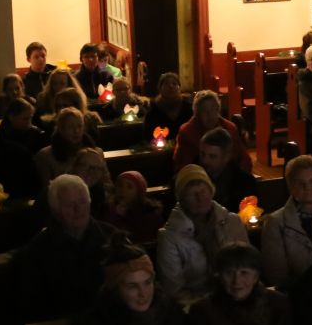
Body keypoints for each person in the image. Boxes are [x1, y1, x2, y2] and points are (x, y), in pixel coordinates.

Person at [14, 175, 114, 321]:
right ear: (55, 210)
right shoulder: (37, 251)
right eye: (69, 205)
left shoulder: (111, 237)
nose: (78, 209)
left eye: (82, 202)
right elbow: (34, 305)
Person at [156, 165, 248, 301]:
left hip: (236, 296)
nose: (199, 198)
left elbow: (247, 265)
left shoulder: (231, 221)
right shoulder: (170, 237)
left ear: (211, 192)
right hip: (196, 303)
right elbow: (174, 289)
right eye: (192, 194)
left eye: (203, 191)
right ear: (182, 200)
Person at [260, 154, 312, 288]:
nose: (307, 187)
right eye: (300, 183)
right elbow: (276, 275)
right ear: (290, 186)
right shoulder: (275, 222)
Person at [172, 89, 249, 171]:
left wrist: (239, 174)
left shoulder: (230, 128)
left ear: (218, 110)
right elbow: (183, 166)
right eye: (204, 111)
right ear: (197, 114)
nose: (209, 114)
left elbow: (243, 158)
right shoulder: (187, 132)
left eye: (213, 109)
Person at [200, 126, 259, 214]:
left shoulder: (244, 183)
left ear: (226, 157)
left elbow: (249, 216)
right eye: (202, 154)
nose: (205, 161)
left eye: (212, 157)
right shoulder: (194, 176)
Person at [35, 107, 96, 191]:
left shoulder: (95, 153)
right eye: (71, 127)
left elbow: (106, 184)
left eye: (80, 126)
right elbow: (45, 189)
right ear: (61, 129)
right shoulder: (45, 156)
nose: (76, 131)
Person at [105, 169, 164, 246]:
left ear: (139, 192)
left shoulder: (149, 213)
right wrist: (116, 215)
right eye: (120, 185)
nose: (122, 190)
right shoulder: (111, 209)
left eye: (129, 187)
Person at [142, 72, 193, 141]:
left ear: (179, 88)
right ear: (160, 88)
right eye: (166, 84)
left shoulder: (188, 107)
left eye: (174, 84)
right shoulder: (154, 109)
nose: (171, 86)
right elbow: (148, 135)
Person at [68, 146, 114, 219]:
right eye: (85, 166)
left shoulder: (99, 191)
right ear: (74, 167)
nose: (92, 172)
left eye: (97, 168)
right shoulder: (61, 190)